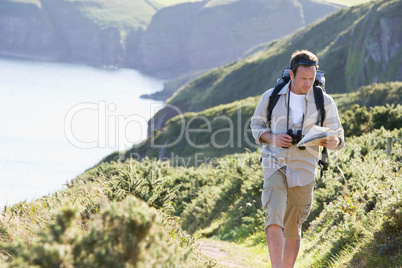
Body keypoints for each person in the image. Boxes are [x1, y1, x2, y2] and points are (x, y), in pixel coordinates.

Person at [250, 50, 344, 268]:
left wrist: (332, 142)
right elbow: (256, 126)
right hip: (275, 163)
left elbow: (339, 137)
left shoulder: (325, 101)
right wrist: (272, 137)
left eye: (311, 79)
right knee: (273, 214)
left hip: (305, 168)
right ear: (291, 75)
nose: (308, 83)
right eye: (303, 79)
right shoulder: (271, 96)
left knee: (293, 226)